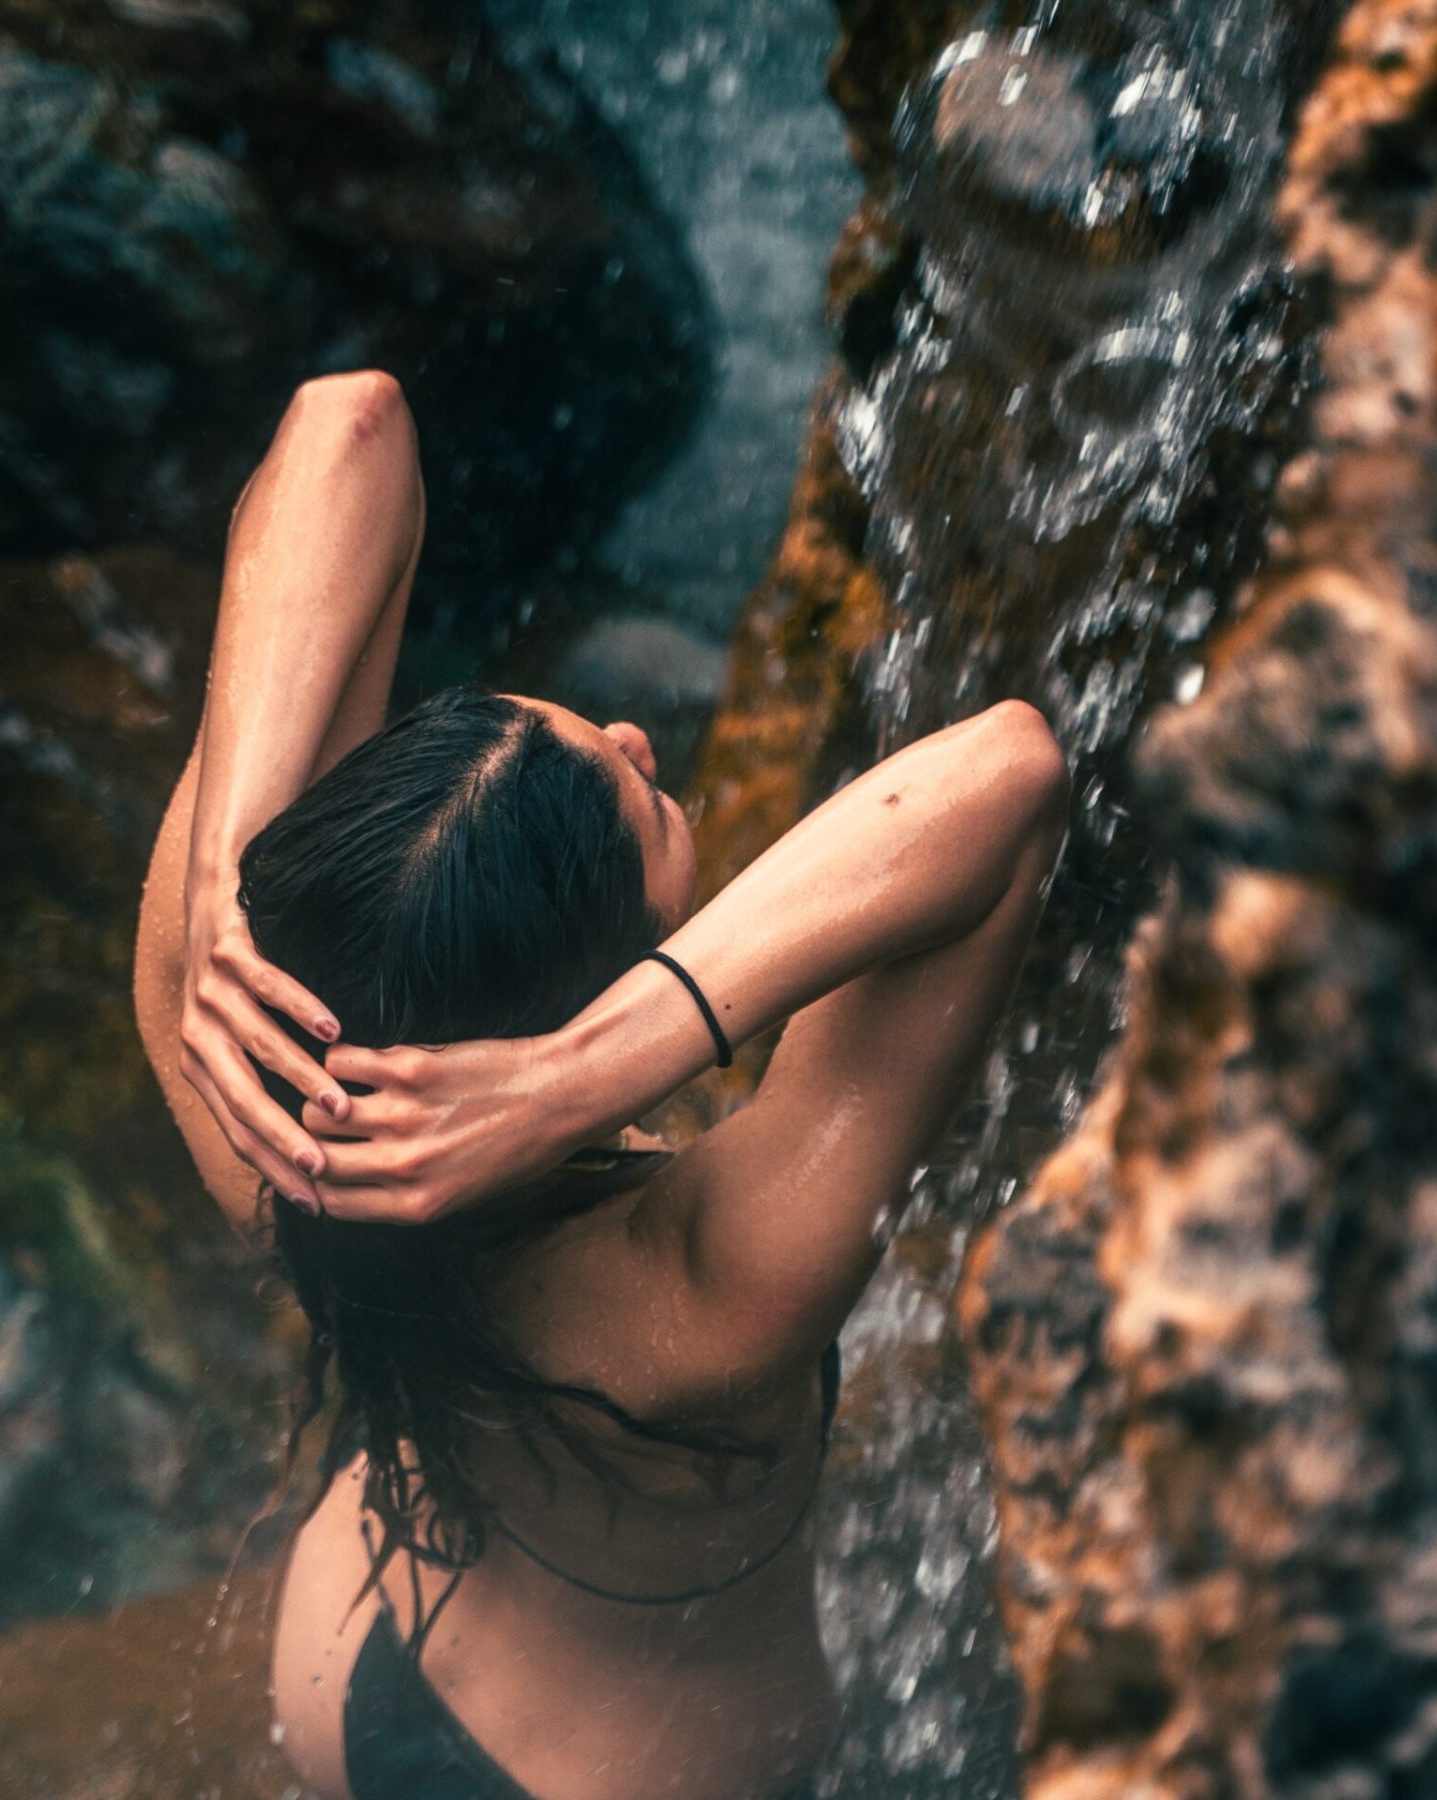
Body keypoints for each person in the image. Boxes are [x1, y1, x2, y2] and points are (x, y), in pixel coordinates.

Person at [133, 371, 1067, 1800]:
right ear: (576, 995)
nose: (638, 739)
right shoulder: (699, 1295)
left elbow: (351, 423)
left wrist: (224, 872)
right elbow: (1007, 776)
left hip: (352, 1659)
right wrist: (604, 1062)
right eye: (636, 794)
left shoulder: (249, 1092)